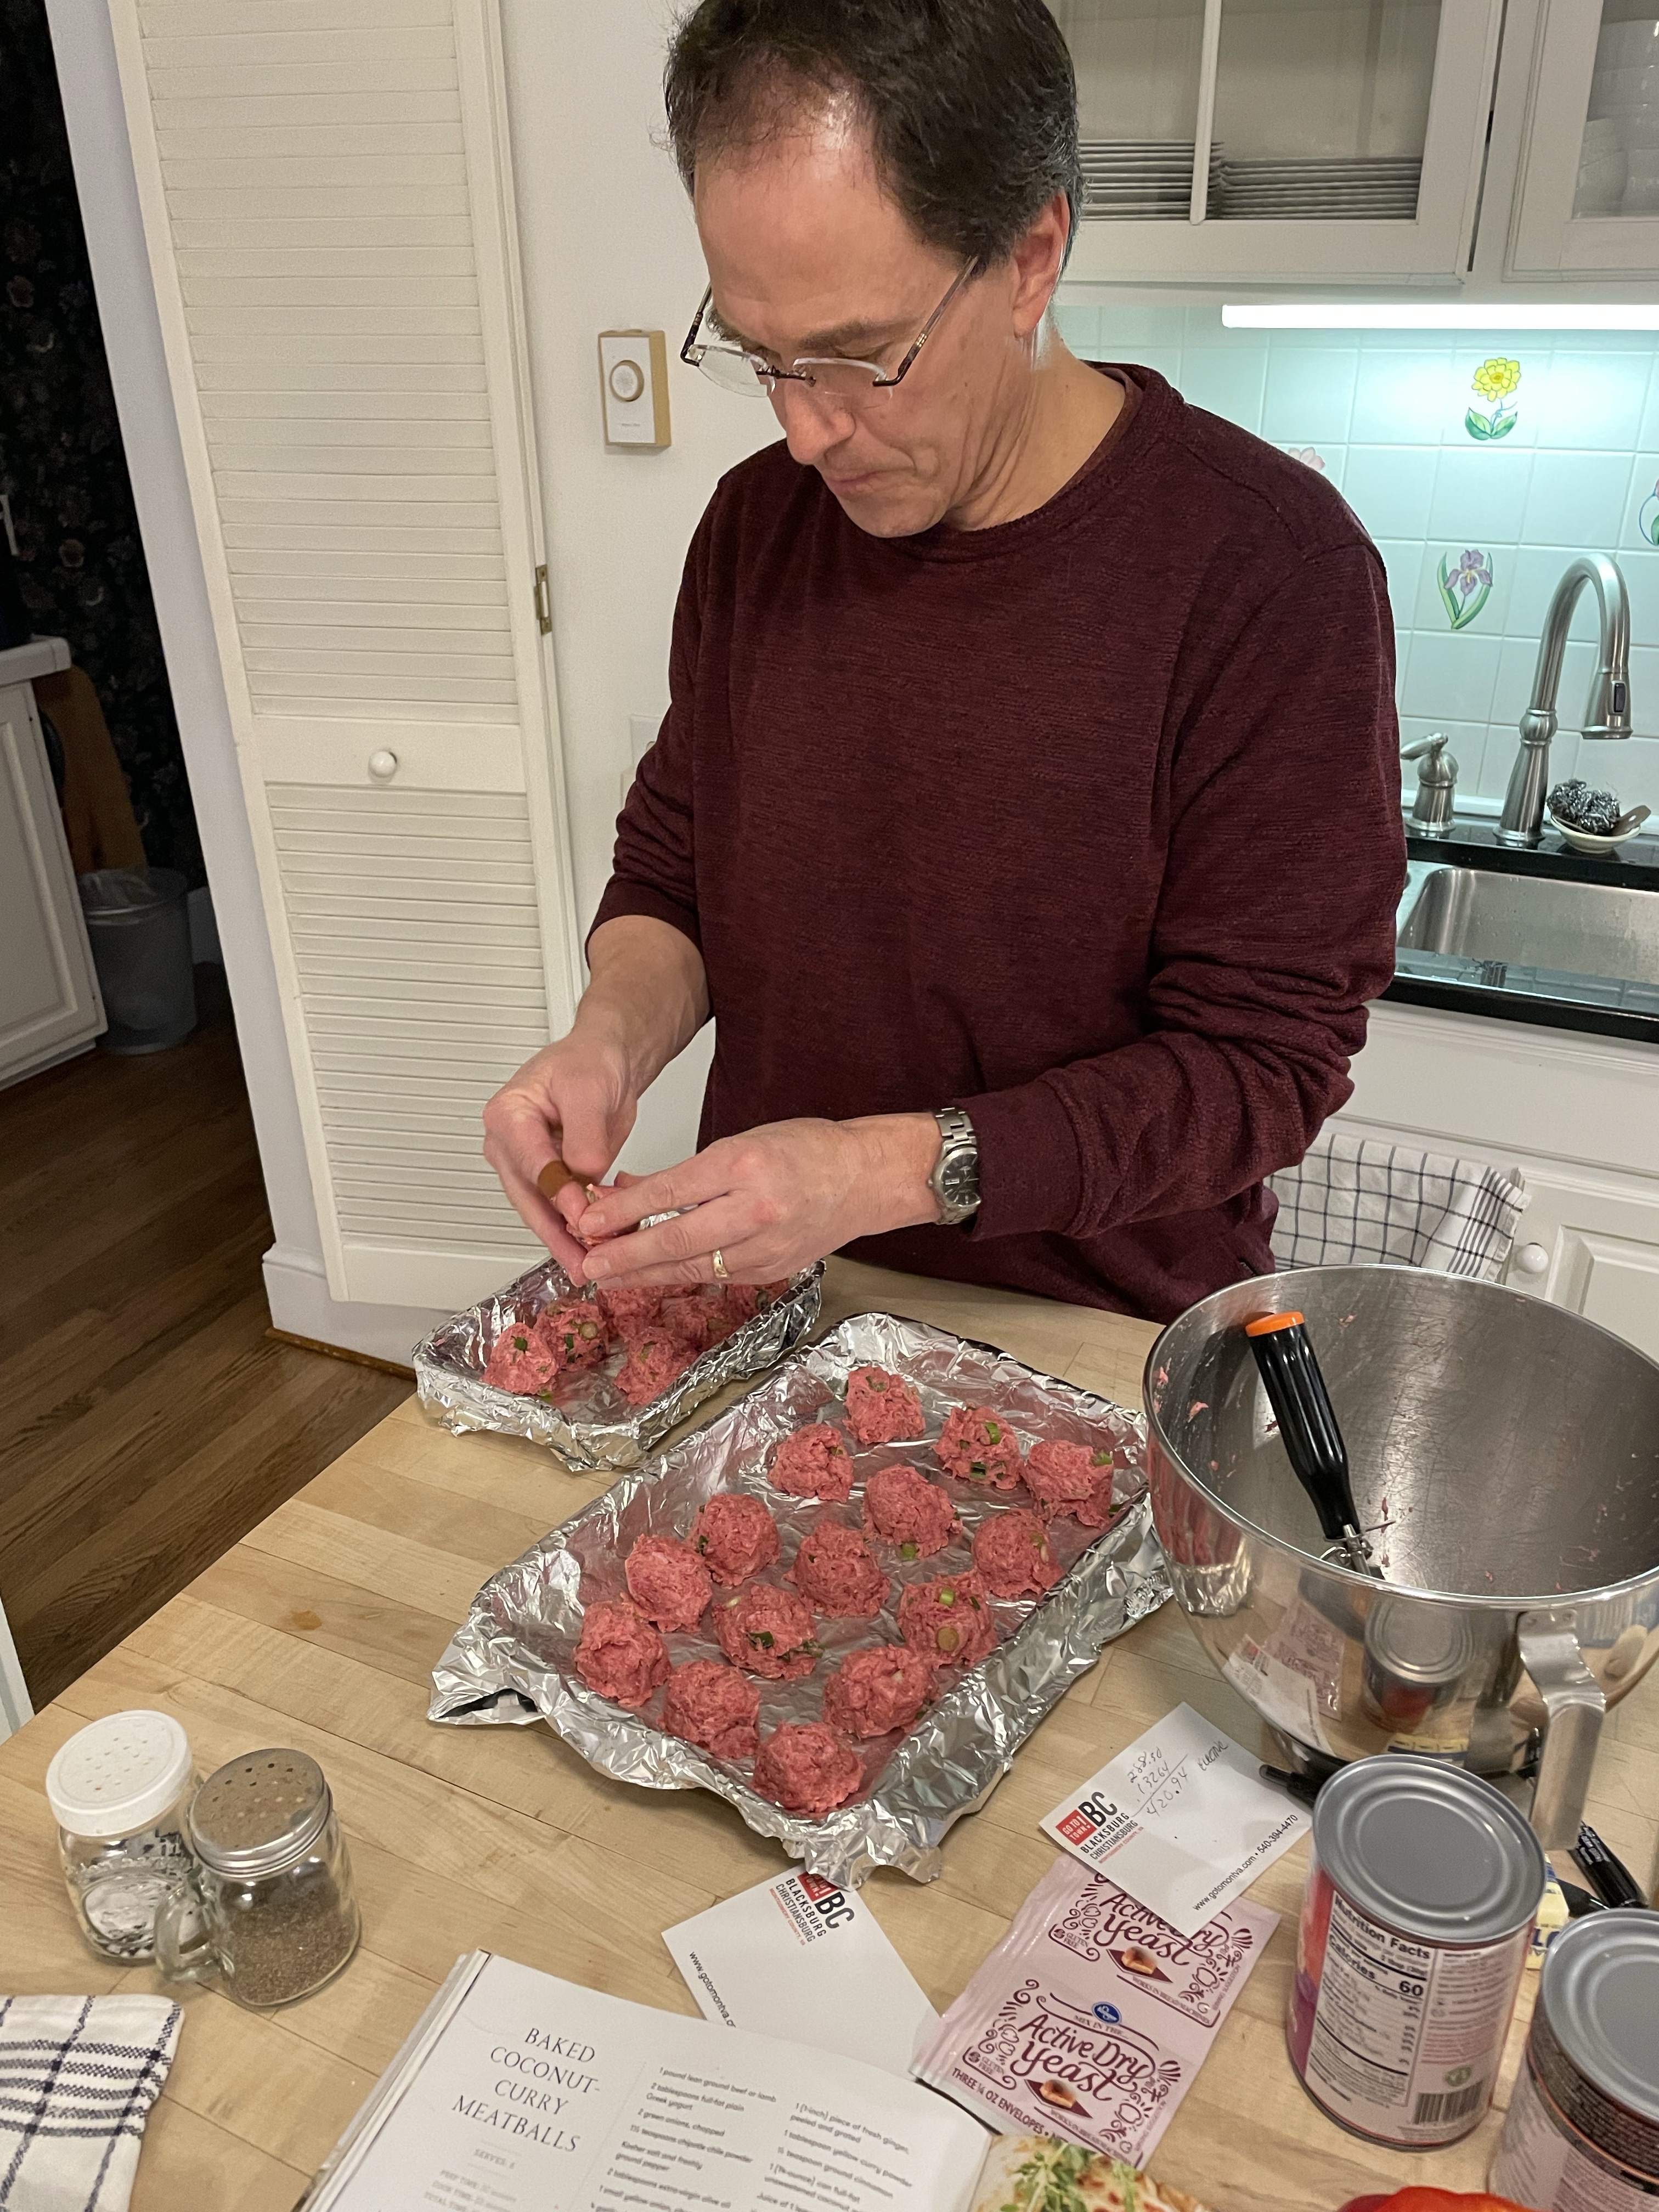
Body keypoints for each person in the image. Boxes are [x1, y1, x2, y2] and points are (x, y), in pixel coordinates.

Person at [483, 0, 1404, 1324]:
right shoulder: (759, 526)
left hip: (1099, 1333)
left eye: (861, 361)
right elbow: (678, 862)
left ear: (1032, 254)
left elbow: (1263, 1069)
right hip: (777, 1303)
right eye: (761, 359)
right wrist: (608, 1041)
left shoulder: (1268, 571)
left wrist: (882, 1168)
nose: (807, 433)